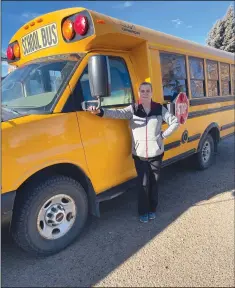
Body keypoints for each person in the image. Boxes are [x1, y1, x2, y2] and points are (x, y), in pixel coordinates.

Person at [87, 82, 180, 223]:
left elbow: (175, 122)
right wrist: (100, 111)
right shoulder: (133, 108)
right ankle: (143, 211)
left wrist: (163, 135)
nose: (145, 93)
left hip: (156, 153)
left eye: (147, 90)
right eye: (142, 91)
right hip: (140, 155)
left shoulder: (158, 108)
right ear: (138, 93)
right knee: (143, 183)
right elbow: (117, 113)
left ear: (152, 92)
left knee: (154, 182)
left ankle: (152, 209)